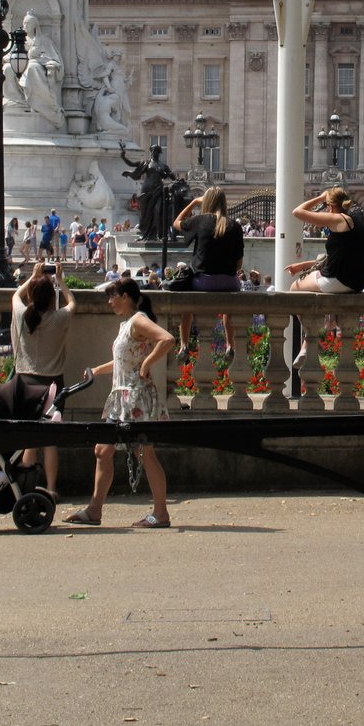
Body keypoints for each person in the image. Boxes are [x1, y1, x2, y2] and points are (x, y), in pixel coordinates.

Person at [66, 277, 176, 528]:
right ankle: (95, 510)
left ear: (126, 296)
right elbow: (124, 361)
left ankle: (161, 513)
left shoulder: (138, 319)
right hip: (124, 397)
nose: (109, 301)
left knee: (144, 453)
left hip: (135, 396)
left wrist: (148, 363)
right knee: (103, 450)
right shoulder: (128, 323)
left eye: (112, 296)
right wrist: (98, 369)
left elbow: (167, 339)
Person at [11, 262, 75, 493]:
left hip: (25, 382)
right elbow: (72, 303)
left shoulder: (21, 314)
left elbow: (17, 295)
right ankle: (50, 487)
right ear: (51, 298)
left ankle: (25, 485)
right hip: (52, 384)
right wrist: (60, 281)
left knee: (29, 437)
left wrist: (33, 276)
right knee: (49, 440)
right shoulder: (58, 319)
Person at [171, 187, 245, 353]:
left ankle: (184, 344)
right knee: (228, 307)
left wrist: (193, 203)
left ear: (207, 202)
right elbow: (238, 265)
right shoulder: (235, 226)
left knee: (186, 301)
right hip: (229, 283)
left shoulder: (199, 221)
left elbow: (176, 223)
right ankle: (230, 344)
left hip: (203, 281)